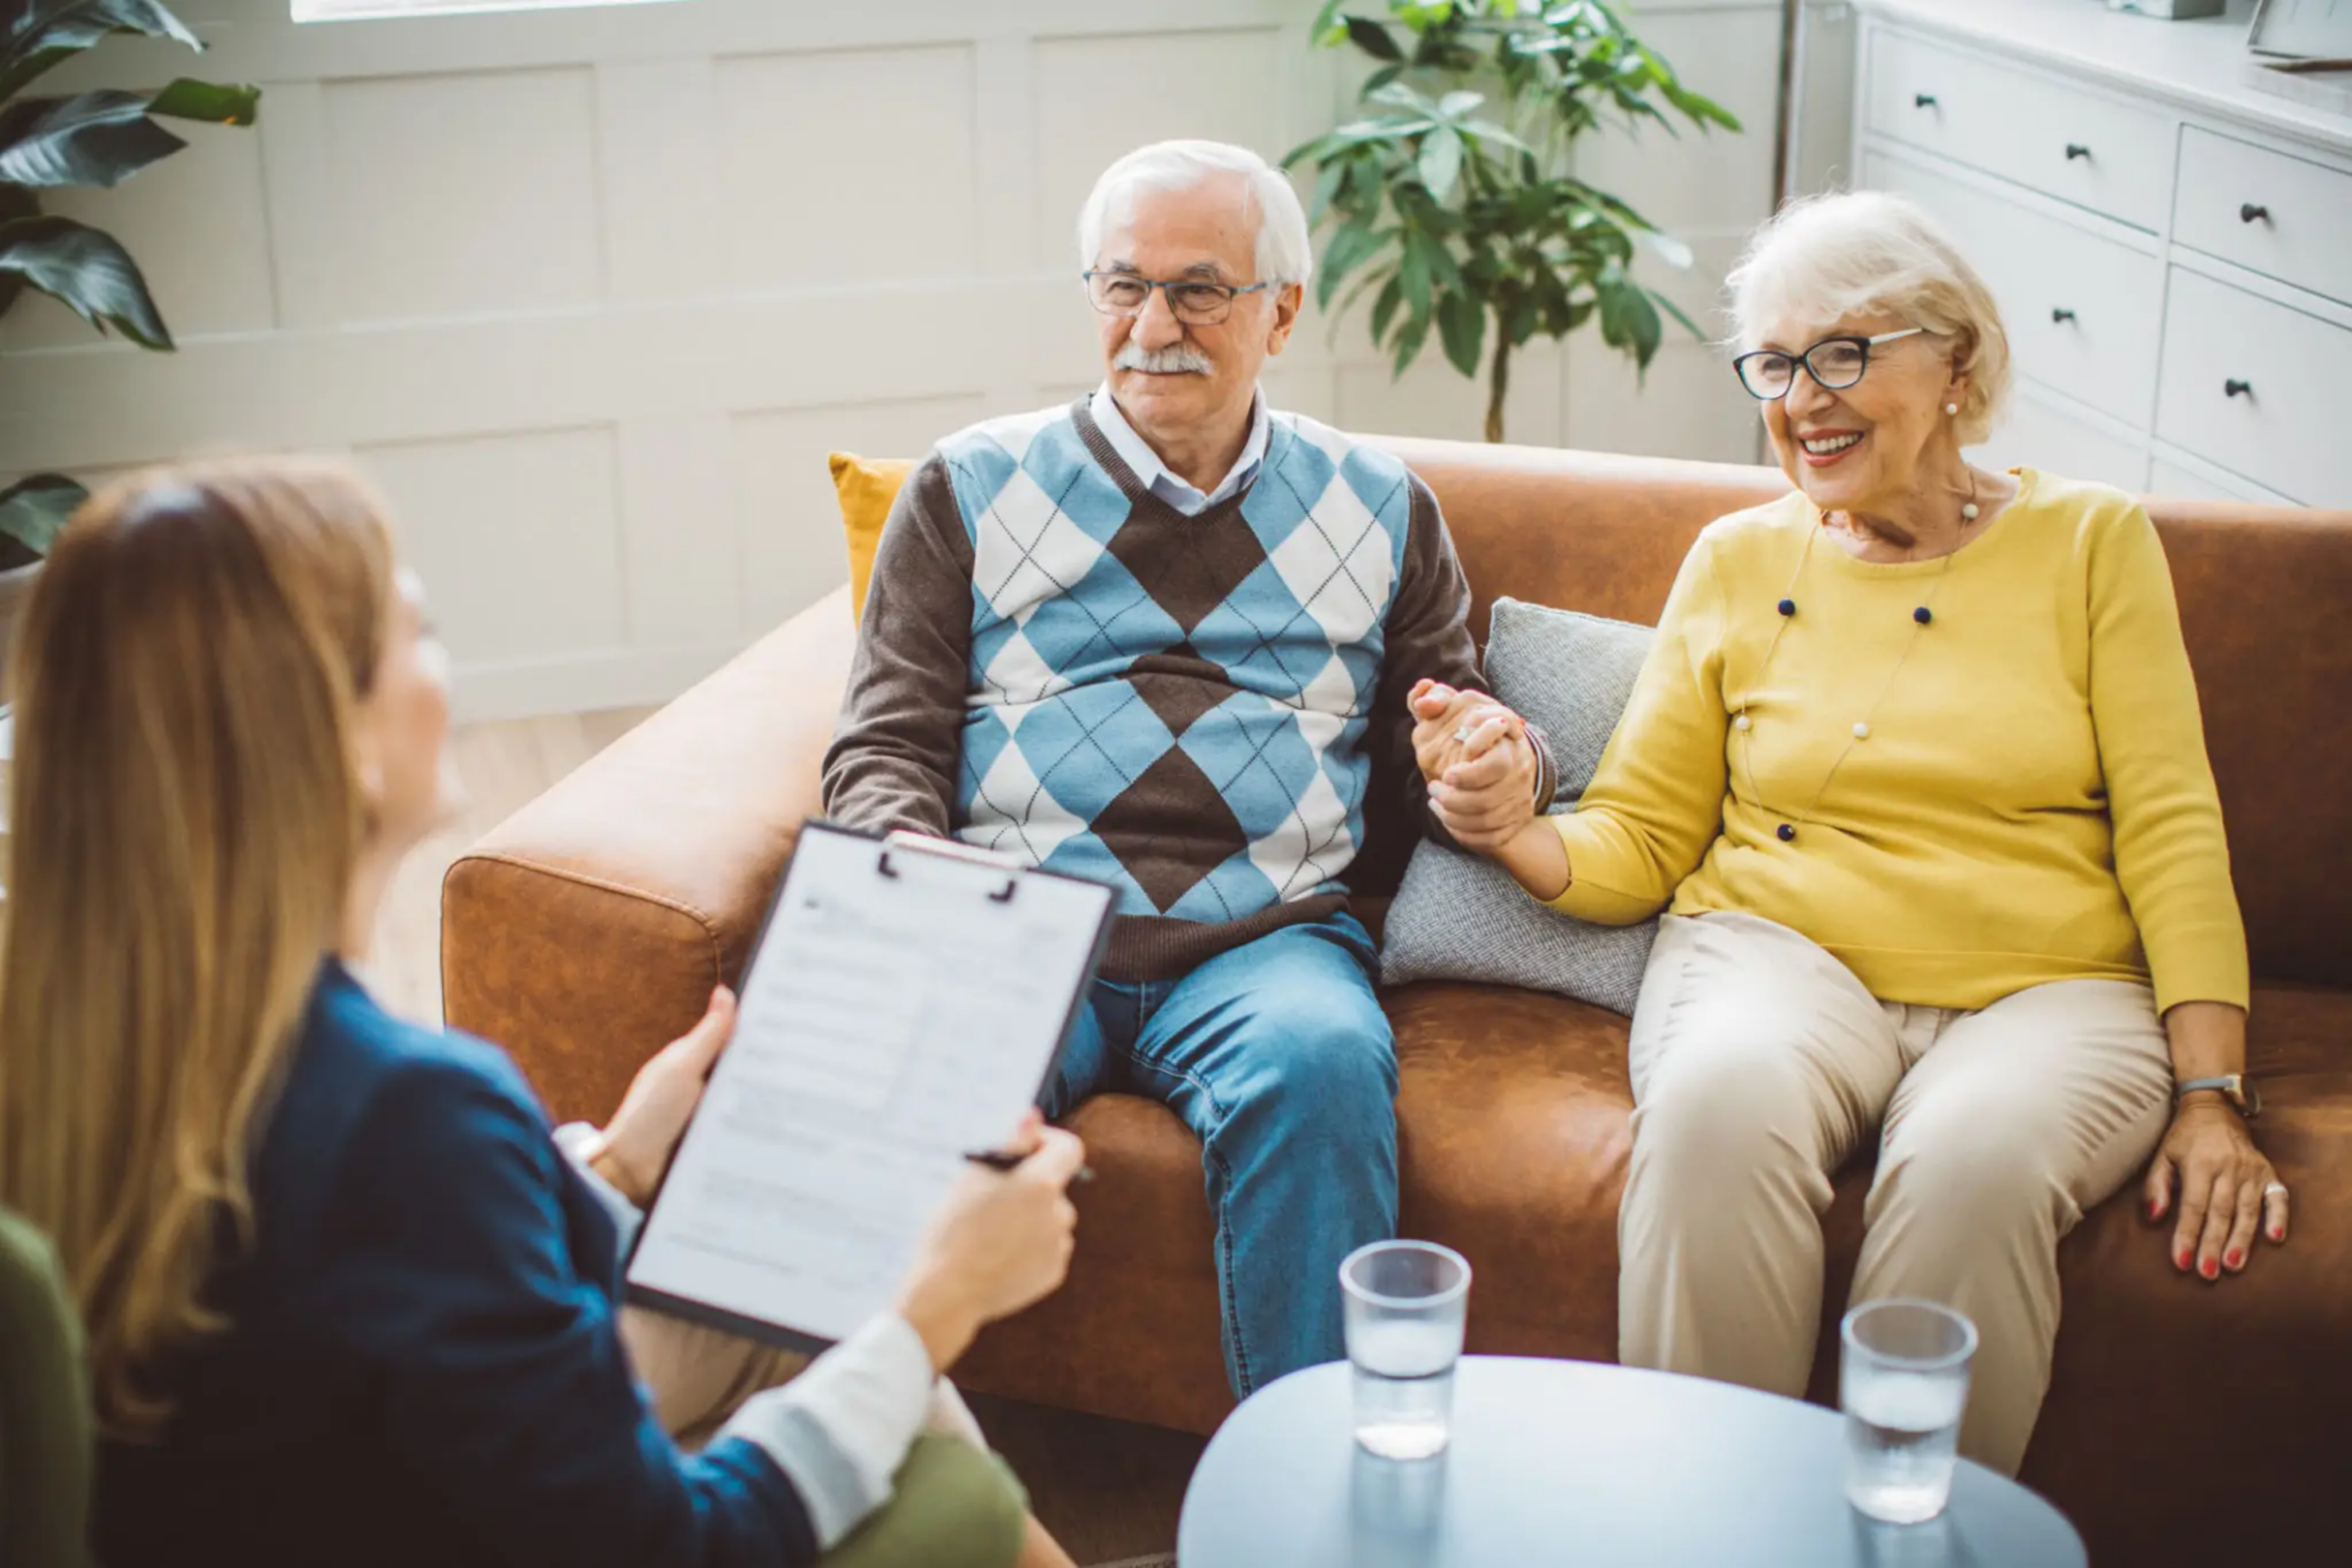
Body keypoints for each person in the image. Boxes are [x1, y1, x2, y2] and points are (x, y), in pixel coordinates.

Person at [0, 458, 1086, 1568]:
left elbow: (354, 1272)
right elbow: (676, 1546)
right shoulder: (411, 1111)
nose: (445, 669)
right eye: (414, 632)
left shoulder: (87, 1039)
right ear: (338, 741)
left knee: (776, 1312)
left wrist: (612, 1166)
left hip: (292, 1494)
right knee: (895, 1378)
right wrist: (934, 1305)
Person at [1425, 191, 2288, 1474]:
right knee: (1717, 1107)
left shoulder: (2091, 542)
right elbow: (1644, 837)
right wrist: (1507, 828)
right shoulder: (1733, 558)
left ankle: (1904, 1536)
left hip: (2055, 988)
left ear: (1960, 364)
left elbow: (2172, 824)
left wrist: (2211, 1092)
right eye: (1775, 364)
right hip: (1775, 951)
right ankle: (1713, 1535)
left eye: (1845, 351)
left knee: (1976, 1164)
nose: (1804, 397)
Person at [821, 139, 1553, 1395]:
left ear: (1282, 310)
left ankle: (1313, 1495)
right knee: (904, 1063)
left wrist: (1496, 759)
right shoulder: (970, 486)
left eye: (1200, 289)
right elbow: (879, 748)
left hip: (1265, 941)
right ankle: (851, 1467)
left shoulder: (1380, 502)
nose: (1152, 325)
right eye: (1122, 286)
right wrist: (928, 875)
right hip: (1018, 914)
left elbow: (1452, 712)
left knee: (1324, 1069)